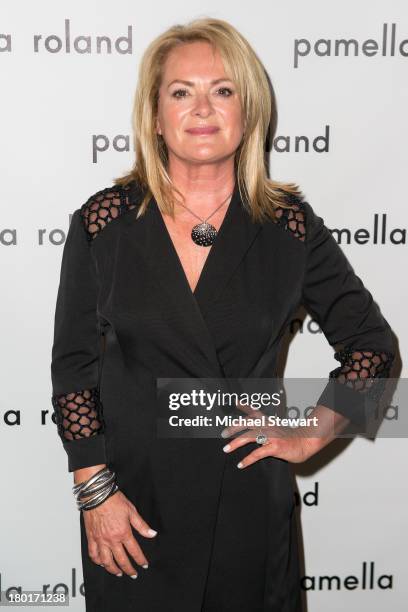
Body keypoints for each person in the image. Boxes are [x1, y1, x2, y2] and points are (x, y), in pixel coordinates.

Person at [50, 16, 395, 612]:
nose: (202, 108)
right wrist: (95, 493)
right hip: (133, 511)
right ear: (155, 116)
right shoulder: (102, 224)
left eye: (223, 90)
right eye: (181, 91)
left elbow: (375, 349)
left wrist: (312, 433)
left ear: (249, 111)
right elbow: (74, 371)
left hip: (248, 507)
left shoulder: (289, 227)